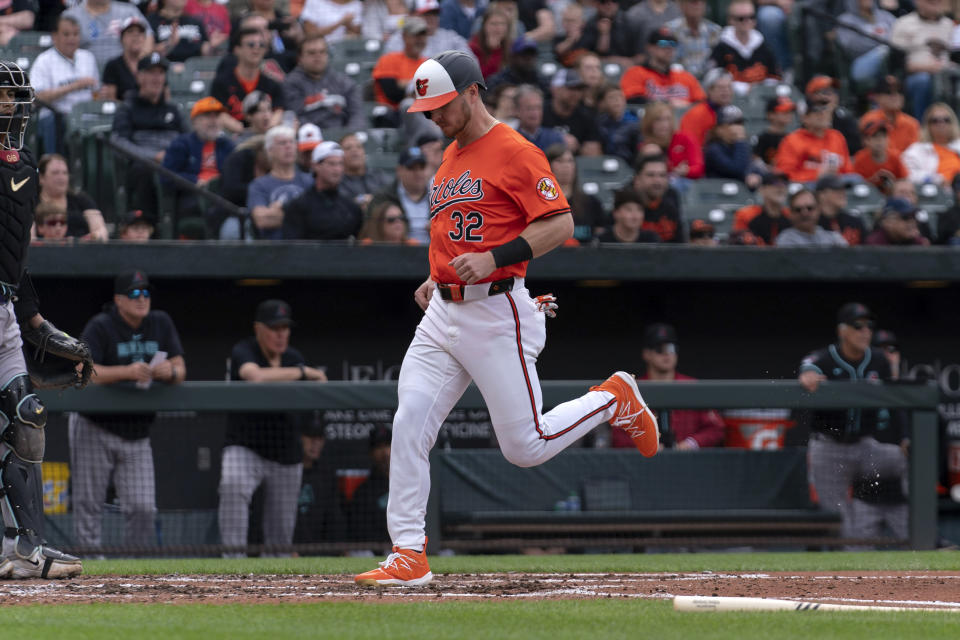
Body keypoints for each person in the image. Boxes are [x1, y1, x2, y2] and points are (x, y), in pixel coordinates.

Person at [354, 51, 660, 587]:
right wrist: (437, 276)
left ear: (473, 92)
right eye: (427, 110)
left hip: (496, 309)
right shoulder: (448, 158)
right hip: (443, 314)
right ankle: (408, 552)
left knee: (525, 447)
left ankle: (614, 397)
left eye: (442, 106)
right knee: (407, 426)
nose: (434, 117)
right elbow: (457, 234)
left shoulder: (515, 150)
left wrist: (495, 259)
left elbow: (560, 223)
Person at [0, 61, 94, 580]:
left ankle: (25, 549)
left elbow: (16, 254)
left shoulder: (26, 163)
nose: (6, 104)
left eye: (10, 96)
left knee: (28, 419)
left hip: (5, 308)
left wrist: (34, 319)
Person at [69, 270, 186, 553]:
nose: (142, 298)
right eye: (134, 293)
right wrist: (128, 371)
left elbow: (181, 367)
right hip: (94, 426)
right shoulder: (102, 325)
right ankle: (88, 563)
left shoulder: (160, 322)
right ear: (119, 299)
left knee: (143, 507)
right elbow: (83, 370)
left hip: (137, 431)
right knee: (89, 503)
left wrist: (168, 371)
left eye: (145, 292)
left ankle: (133, 566)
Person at [220, 299, 327, 557]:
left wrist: (301, 370)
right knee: (232, 485)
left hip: (285, 451)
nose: (281, 334)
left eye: (285, 328)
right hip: (245, 447)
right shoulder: (244, 349)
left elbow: (320, 383)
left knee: (280, 535)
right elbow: (254, 376)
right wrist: (302, 372)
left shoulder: (293, 357)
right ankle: (231, 563)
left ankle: (274, 579)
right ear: (258, 328)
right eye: (274, 328)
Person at [797, 302, 906, 540]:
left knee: (903, 459)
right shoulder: (826, 357)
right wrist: (808, 373)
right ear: (842, 331)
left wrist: (905, 438)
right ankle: (849, 573)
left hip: (864, 446)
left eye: (868, 327)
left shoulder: (878, 359)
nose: (865, 332)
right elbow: (809, 364)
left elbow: (897, 401)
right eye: (857, 326)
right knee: (841, 524)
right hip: (829, 449)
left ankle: (926, 534)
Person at [611, 323, 724, 450]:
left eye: (672, 348)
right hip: (644, 464)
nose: (667, 354)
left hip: (687, 462)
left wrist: (689, 444)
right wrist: (646, 445)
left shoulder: (692, 386)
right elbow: (618, 435)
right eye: (659, 349)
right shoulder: (631, 390)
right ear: (646, 354)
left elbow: (716, 429)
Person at [112, 53, 188, 220]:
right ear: (139, 76)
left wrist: (174, 156)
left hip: (172, 162)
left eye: (160, 73)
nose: (157, 78)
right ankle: (150, 227)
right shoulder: (127, 108)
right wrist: (153, 156)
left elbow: (188, 139)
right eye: (151, 73)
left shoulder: (173, 109)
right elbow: (118, 143)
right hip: (144, 165)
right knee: (145, 171)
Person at [162, 97, 236, 235]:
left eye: (217, 116)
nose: (214, 121)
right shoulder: (182, 144)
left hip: (222, 195)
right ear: (195, 121)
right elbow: (166, 176)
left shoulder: (228, 146)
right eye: (208, 116)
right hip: (193, 196)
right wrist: (195, 181)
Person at [31, 15, 101, 156]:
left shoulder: (88, 57)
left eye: (75, 34)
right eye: (66, 34)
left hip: (86, 116)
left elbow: (96, 92)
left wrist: (102, 94)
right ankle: (56, 168)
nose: (72, 39)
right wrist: (74, 86)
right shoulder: (44, 60)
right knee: (53, 121)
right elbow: (36, 97)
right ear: (55, 36)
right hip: (58, 116)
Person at [239, 125, 313, 240]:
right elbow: (262, 220)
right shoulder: (259, 185)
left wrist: (277, 211)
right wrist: (306, 216)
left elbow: (323, 216)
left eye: (292, 142)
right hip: (275, 250)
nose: (288, 146)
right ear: (270, 151)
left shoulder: (310, 180)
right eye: (282, 143)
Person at [282, 140, 363, 240]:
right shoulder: (298, 207)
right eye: (331, 164)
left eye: (340, 164)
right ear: (315, 166)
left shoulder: (351, 208)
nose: (337, 169)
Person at [282, 34, 364, 131]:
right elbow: (294, 116)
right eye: (311, 53)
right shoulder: (290, 84)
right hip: (308, 138)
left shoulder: (344, 82)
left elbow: (357, 114)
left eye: (322, 52)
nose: (318, 57)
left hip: (340, 137)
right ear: (300, 58)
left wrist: (348, 135)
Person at [212, 27, 285, 135]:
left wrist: (268, 127)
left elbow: (279, 111)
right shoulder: (221, 83)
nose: (256, 49)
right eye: (251, 44)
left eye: (261, 45)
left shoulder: (272, 84)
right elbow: (218, 113)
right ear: (237, 49)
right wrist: (242, 131)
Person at [890, 0, 954, 119]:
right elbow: (896, 63)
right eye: (929, 1)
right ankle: (922, 126)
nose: (935, 3)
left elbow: (954, 55)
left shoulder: (949, 24)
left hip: (946, 74)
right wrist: (927, 68)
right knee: (922, 80)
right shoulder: (903, 23)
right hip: (914, 76)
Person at [620, 27, 705, 107]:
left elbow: (702, 103)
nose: (669, 48)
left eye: (672, 44)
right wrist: (668, 103)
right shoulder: (635, 73)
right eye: (663, 43)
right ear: (650, 48)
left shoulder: (686, 77)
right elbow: (632, 100)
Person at [774, 100, 854, 184]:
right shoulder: (792, 140)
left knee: (855, 179)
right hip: (808, 188)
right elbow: (785, 176)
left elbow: (848, 171)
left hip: (836, 187)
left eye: (826, 110)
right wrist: (816, 175)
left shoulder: (837, 137)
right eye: (817, 111)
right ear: (805, 118)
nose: (823, 115)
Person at [293, 418, 345, 544]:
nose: (315, 443)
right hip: (288, 549)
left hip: (321, 548)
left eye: (320, 438)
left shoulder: (326, 475)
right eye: (310, 437)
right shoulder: (286, 472)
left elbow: (334, 516)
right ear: (300, 438)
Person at [37, 153, 108, 241]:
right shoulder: (31, 202)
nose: (61, 177)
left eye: (65, 173)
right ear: (41, 178)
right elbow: (29, 239)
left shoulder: (82, 200)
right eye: (55, 173)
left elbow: (101, 230)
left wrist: (91, 238)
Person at [709, 0, 779, 88]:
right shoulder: (721, 47)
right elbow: (713, 80)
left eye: (751, 17)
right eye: (741, 18)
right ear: (730, 20)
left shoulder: (763, 45)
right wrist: (742, 88)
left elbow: (775, 77)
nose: (747, 21)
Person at [64, 0, 155, 68]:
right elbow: (62, 51)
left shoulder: (128, 10)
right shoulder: (71, 16)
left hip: (124, 74)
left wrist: (137, 63)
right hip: (86, 74)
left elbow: (148, 35)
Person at [545, 143, 606, 244]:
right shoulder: (540, 203)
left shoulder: (591, 202)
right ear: (548, 165)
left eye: (570, 161)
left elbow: (599, 237)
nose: (566, 166)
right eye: (559, 161)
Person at [370, 147, 432, 244]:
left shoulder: (440, 196)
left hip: (434, 253)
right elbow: (372, 231)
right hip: (395, 254)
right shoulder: (383, 198)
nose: (418, 173)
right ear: (399, 170)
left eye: (422, 167)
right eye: (411, 168)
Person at [372, 17, 429, 119]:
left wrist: (406, 84)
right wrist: (418, 87)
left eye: (423, 35)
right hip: (393, 115)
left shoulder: (429, 64)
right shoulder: (389, 59)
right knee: (409, 104)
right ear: (404, 37)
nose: (420, 40)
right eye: (416, 35)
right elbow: (392, 94)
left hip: (425, 115)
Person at [836, 0, 896, 94]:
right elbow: (852, 45)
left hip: (891, 60)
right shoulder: (846, 20)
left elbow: (899, 36)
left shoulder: (885, 16)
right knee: (884, 50)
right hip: (861, 63)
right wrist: (881, 45)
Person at [346, 425, 392, 545]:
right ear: (371, 453)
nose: (385, 453)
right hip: (376, 551)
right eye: (379, 447)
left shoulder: (410, 484)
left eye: (388, 445)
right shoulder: (364, 491)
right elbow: (359, 532)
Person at [383, 0, 473, 59]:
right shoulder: (400, 38)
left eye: (434, 14)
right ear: (412, 15)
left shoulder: (451, 37)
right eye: (426, 14)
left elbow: (471, 61)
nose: (431, 18)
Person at [542, 69, 603, 157]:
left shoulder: (587, 116)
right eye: (571, 88)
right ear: (555, 89)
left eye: (579, 89)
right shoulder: (541, 112)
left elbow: (593, 152)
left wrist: (580, 148)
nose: (576, 93)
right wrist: (557, 139)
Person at [641, 101, 703, 181]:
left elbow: (698, 168)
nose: (664, 124)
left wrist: (686, 171)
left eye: (668, 119)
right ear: (649, 122)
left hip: (683, 182)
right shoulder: (644, 144)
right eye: (658, 120)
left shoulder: (685, 137)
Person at [901, 103, 960, 186]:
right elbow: (908, 174)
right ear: (927, 125)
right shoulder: (916, 150)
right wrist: (937, 179)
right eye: (935, 120)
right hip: (935, 193)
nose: (941, 124)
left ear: (953, 123)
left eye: (946, 120)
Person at [859, 75, 920, 155]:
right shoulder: (869, 120)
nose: (895, 96)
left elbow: (915, 155)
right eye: (888, 92)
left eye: (899, 91)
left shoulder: (912, 123)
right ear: (877, 97)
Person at [632, 153, 685, 243]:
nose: (657, 180)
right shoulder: (624, 206)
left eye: (662, 175)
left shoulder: (671, 207)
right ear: (637, 179)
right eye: (650, 175)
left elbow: (680, 247)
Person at [805, 75, 863, 157]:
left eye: (834, 92)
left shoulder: (845, 119)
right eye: (825, 92)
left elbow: (857, 148)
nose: (831, 96)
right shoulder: (805, 122)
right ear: (812, 97)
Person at [576, 0, 642, 68]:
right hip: (598, 67)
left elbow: (642, 55)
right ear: (596, 4)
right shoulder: (590, 24)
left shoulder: (631, 23)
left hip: (628, 67)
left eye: (613, 1)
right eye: (603, 1)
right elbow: (584, 55)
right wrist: (604, 35)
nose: (608, 5)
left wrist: (631, 61)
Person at [665, 0, 721, 80]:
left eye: (701, 2)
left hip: (707, 83)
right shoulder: (669, 30)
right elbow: (663, 55)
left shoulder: (715, 31)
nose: (697, 5)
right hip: (678, 81)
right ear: (681, 6)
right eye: (693, 2)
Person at [733, 170, 790, 245]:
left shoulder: (792, 215)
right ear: (762, 189)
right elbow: (739, 247)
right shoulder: (746, 215)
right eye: (775, 183)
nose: (781, 187)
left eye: (784, 183)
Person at [678, 67, 733, 146]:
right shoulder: (695, 115)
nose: (726, 91)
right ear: (709, 90)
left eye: (729, 87)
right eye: (721, 88)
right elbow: (691, 147)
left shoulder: (733, 113)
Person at [775, 188, 848, 247]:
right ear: (791, 214)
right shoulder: (785, 240)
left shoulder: (834, 238)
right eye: (798, 209)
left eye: (810, 208)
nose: (804, 213)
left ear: (818, 210)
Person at [852, 120, 907, 196]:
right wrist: (873, 180)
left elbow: (905, 181)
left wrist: (893, 181)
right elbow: (855, 185)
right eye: (875, 136)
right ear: (866, 140)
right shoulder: (860, 158)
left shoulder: (896, 156)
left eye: (883, 136)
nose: (880, 140)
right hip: (868, 197)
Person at [338, 131, 391, 209]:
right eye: (348, 148)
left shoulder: (378, 175)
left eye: (359, 147)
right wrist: (362, 200)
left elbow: (392, 195)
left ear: (364, 152)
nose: (354, 151)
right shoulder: (338, 180)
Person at [101, 17, 149, 101]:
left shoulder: (152, 63)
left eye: (140, 32)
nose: (136, 36)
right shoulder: (113, 65)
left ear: (144, 38)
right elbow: (110, 100)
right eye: (130, 31)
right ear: (121, 39)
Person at [149, 0, 214, 62]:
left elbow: (206, 50)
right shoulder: (151, 21)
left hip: (194, 68)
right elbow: (147, 50)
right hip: (162, 68)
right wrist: (169, 44)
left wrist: (211, 46)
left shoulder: (195, 21)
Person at [815, 174, 869, 246]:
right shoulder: (811, 223)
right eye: (836, 190)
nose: (843, 193)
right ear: (822, 195)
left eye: (843, 189)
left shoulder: (854, 222)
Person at [596, 83, 641, 165]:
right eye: (612, 97)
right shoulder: (599, 123)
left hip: (628, 164)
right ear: (603, 103)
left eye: (620, 97)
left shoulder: (635, 123)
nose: (617, 100)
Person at [595, 187, 661, 243]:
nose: (635, 216)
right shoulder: (602, 241)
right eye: (628, 209)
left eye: (639, 210)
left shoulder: (651, 240)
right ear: (616, 213)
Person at [703, 104, 751, 181]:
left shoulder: (739, 146)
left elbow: (749, 167)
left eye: (740, 124)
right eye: (733, 124)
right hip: (716, 191)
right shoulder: (713, 149)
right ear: (719, 129)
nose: (739, 127)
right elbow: (736, 170)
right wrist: (740, 141)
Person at [513, 84, 565, 153]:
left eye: (538, 108)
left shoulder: (554, 138)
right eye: (529, 108)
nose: (535, 113)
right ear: (517, 111)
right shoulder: (511, 140)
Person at [864, 197, 931, 246]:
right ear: (888, 222)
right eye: (905, 217)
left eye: (914, 216)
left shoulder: (920, 243)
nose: (912, 221)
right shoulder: (874, 245)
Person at [752, 95, 795, 169]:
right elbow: (756, 161)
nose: (789, 114)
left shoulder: (791, 137)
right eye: (784, 111)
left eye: (790, 111)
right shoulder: (762, 138)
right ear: (771, 115)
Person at [469, 9, 512, 80]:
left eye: (502, 24)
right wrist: (495, 51)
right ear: (484, 26)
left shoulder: (511, 45)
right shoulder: (473, 46)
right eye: (493, 24)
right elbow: (481, 77)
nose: (498, 28)